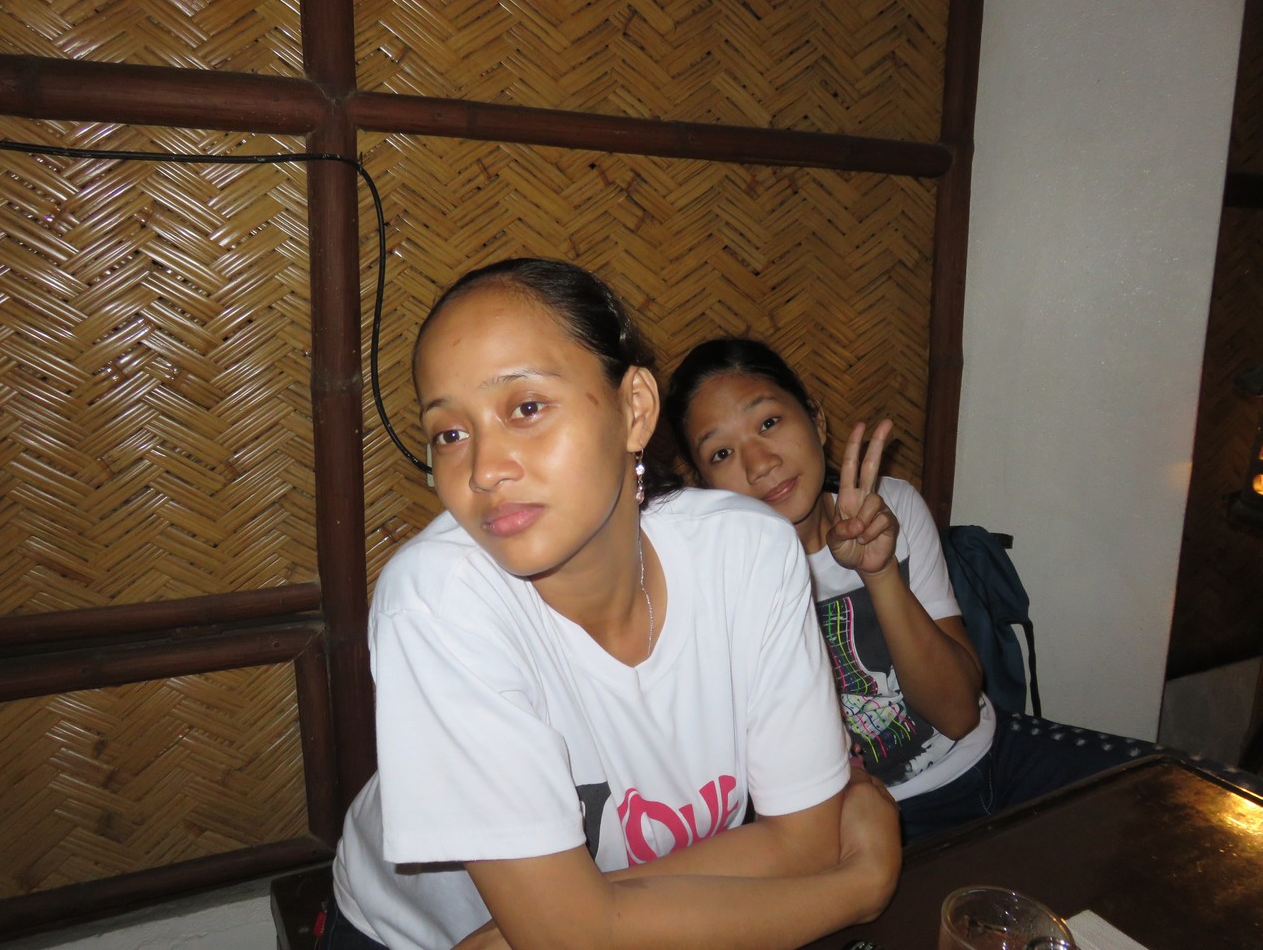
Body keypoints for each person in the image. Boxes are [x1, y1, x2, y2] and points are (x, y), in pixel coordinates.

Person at [324, 261, 901, 950]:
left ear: (634, 409)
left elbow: (802, 842)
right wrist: (858, 889)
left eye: (526, 408)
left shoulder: (747, 554)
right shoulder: (437, 601)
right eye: (450, 433)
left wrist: (570, 921)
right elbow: (572, 936)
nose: (483, 470)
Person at [665, 337, 1156, 844]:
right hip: (878, 821)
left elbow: (959, 715)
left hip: (995, 755)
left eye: (769, 422)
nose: (759, 463)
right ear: (702, 484)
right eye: (722, 452)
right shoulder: (717, 587)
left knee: (1156, 800)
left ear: (816, 419)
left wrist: (879, 572)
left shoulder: (890, 506)